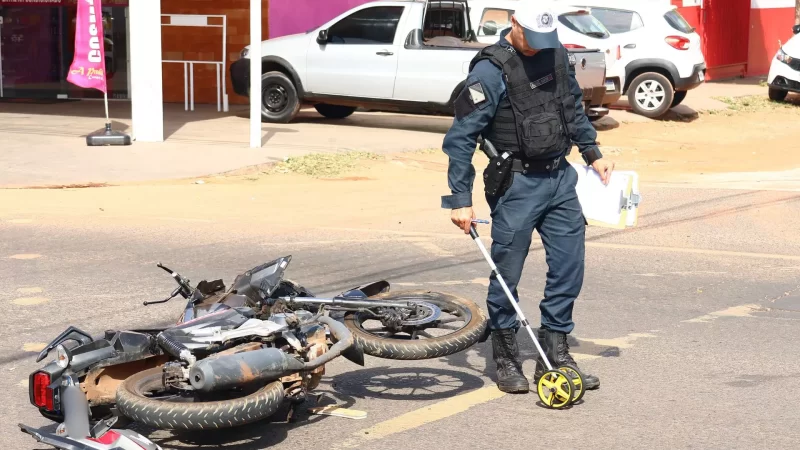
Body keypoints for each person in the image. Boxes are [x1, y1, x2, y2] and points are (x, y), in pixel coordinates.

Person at [440, 1, 614, 393]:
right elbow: (460, 139)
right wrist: (459, 198)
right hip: (516, 183)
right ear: (513, 24)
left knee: (570, 266)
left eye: (544, 39)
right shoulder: (490, 71)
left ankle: (555, 353)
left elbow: (571, 107)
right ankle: (505, 355)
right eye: (531, 39)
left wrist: (592, 152)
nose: (537, 46)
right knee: (507, 272)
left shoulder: (555, 53)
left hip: (560, 179)